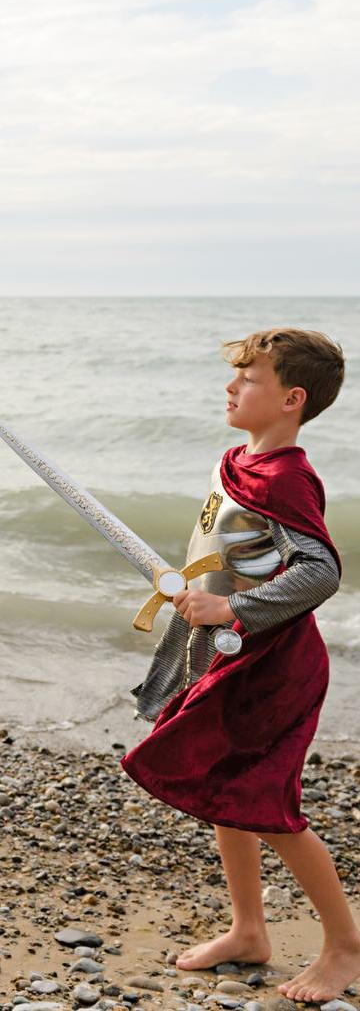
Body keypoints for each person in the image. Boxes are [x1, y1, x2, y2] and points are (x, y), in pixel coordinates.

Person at [121, 328, 358, 1003]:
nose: (231, 386)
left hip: (274, 669)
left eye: (249, 379)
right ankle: (249, 930)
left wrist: (233, 612)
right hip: (230, 659)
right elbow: (224, 554)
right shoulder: (235, 462)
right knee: (229, 793)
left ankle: (346, 946)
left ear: (291, 399)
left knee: (268, 807)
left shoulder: (288, 479)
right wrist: (198, 599)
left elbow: (320, 571)